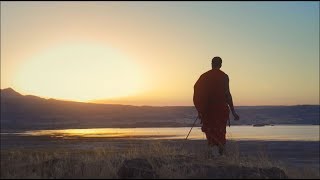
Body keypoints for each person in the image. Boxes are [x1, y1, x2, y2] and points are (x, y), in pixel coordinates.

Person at [193, 56, 240, 156]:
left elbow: (197, 91)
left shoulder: (204, 76)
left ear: (212, 63)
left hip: (208, 110)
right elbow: (228, 95)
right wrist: (233, 112)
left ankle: (210, 153)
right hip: (220, 110)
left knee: (210, 132)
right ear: (221, 64)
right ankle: (221, 154)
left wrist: (200, 109)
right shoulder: (224, 77)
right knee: (221, 132)